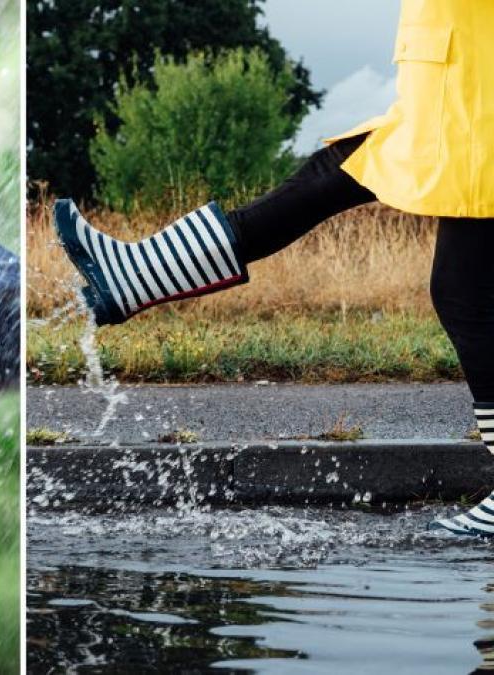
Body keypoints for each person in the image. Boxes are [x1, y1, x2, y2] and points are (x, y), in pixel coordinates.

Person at [54, 0, 494, 535]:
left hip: (473, 87)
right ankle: (135, 275)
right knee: (338, 174)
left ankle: (134, 277)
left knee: (465, 294)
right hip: (458, 81)